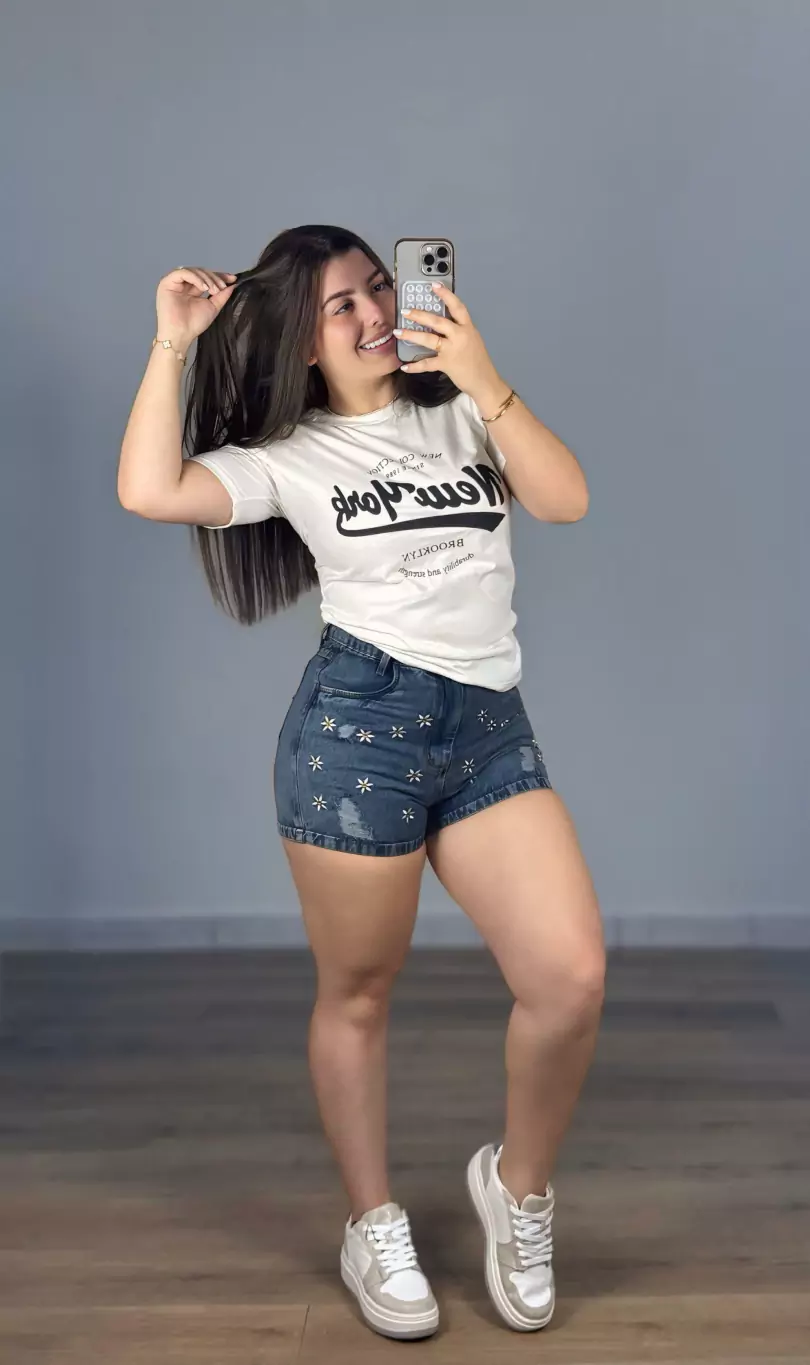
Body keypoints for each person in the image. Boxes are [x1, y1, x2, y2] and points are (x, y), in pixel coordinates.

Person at [117, 225, 605, 1340]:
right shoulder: (291, 457)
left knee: (570, 977)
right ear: (303, 341)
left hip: (486, 728)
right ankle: (371, 1221)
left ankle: (517, 1188)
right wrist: (172, 342)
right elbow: (148, 490)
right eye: (342, 305)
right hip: (357, 735)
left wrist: (483, 376)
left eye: (380, 287)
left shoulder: (464, 409)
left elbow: (567, 499)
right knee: (359, 993)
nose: (377, 311)